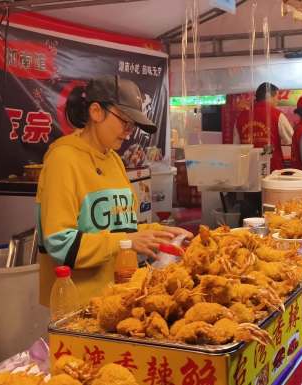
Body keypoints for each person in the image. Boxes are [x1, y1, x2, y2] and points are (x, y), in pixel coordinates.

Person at [36, 76, 191, 306]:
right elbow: (60, 244)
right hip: (78, 308)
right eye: (124, 121)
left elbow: (122, 229)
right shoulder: (62, 160)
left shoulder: (114, 160)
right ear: (96, 112)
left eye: (132, 125)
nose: (128, 132)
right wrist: (124, 241)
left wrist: (162, 234)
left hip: (118, 298)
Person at [235, 82, 294, 171]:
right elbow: (291, 138)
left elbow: (236, 146)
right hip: (271, 170)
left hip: (248, 170)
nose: (277, 101)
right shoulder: (277, 115)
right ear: (268, 96)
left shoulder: (240, 117)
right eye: (277, 97)